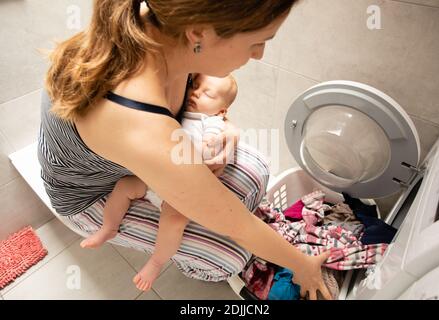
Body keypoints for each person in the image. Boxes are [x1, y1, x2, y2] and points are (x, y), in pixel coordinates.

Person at [38, 0, 332, 300]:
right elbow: (236, 224)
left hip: (124, 159)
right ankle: (196, 264)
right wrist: (302, 265)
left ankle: (203, 236)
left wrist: (227, 126)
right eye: (258, 42)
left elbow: (200, 106)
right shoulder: (134, 115)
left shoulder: (162, 24)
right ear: (198, 33)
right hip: (91, 194)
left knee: (256, 168)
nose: (259, 55)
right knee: (231, 254)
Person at [79, 74, 238, 292]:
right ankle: (109, 227)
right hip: (156, 176)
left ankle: (156, 262)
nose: (196, 93)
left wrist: (205, 146)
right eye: (196, 86)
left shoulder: (211, 123)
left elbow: (208, 151)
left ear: (221, 111)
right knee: (125, 186)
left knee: (174, 221)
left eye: (207, 93)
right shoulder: (181, 109)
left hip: (180, 189)